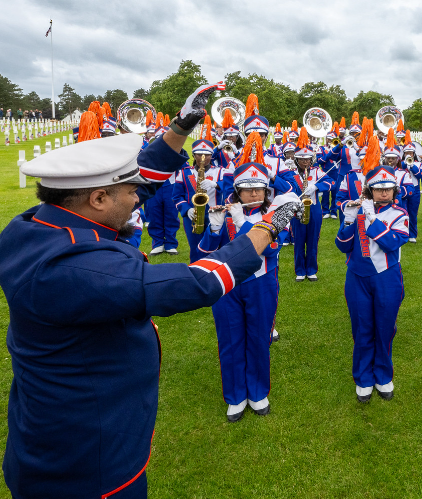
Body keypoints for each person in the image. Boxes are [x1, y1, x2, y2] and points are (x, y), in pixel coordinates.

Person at [0, 83, 292, 498]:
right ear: (98, 198)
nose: (140, 196)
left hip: (55, 441)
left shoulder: (38, 224)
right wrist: (269, 224)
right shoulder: (76, 267)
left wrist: (179, 128)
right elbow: (200, 281)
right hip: (89, 466)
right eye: (130, 192)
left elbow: (138, 183)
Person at [199, 134, 298, 421]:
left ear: (266, 191)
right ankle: (235, 396)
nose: (253, 194)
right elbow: (203, 252)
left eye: (258, 189)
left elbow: (270, 249)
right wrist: (215, 228)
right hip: (227, 284)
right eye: (247, 190)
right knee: (230, 339)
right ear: (237, 191)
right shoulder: (226, 212)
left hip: (261, 282)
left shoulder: (276, 215)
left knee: (258, 337)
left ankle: (257, 392)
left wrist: (243, 224)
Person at [335, 139, 409, 403]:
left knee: (385, 327)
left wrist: (372, 218)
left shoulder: (399, 213)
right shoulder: (357, 210)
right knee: (362, 328)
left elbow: (391, 243)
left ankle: (383, 374)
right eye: (378, 190)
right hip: (357, 276)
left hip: (387, 277)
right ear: (370, 191)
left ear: (394, 190)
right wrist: (349, 219)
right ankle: (363, 377)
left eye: (388, 189)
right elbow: (342, 245)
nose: (383, 194)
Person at [289, 128, 336, 281]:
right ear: (297, 160)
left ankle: (311, 269)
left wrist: (317, 186)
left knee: (313, 239)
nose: (305, 162)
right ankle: (300, 270)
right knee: (299, 240)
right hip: (297, 209)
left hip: (314, 209)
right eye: (302, 160)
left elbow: (332, 183)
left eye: (308, 159)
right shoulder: (291, 173)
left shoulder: (317, 172)